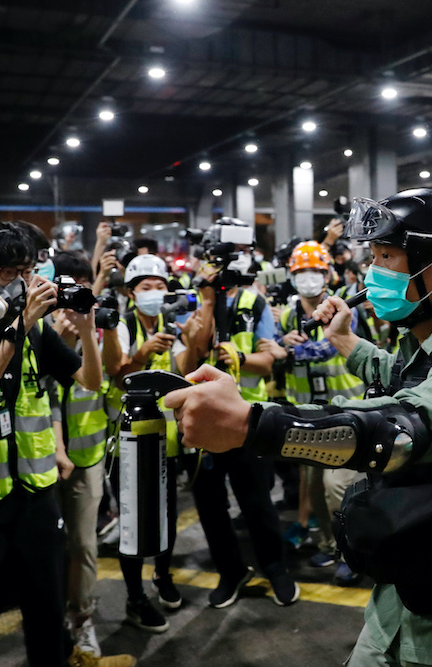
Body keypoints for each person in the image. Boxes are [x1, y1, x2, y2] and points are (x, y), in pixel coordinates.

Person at [167, 189, 432, 666]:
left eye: (387, 257)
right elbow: (406, 381)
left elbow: (399, 433)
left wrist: (253, 424)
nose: (373, 272)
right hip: (422, 578)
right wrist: (346, 343)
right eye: (372, 258)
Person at [0, 222, 132, 667]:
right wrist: (21, 324)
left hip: (33, 499)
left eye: (26, 269)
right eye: (4, 270)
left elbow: (89, 380)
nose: (16, 280)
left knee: (45, 615)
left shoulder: (34, 332)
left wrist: (88, 327)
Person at [179, 228, 300, 610]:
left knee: (256, 500)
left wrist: (241, 360)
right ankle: (230, 572)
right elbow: (189, 358)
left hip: (247, 417)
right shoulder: (195, 302)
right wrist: (209, 302)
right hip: (201, 421)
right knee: (210, 505)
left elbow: (269, 360)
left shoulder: (254, 301)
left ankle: (276, 567)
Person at [46, 251, 121, 656]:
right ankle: (48, 616)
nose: (71, 294)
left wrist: (90, 330)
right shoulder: (36, 328)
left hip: (88, 459)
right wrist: (61, 339)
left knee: (84, 546)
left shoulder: (100, 324)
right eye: (65, 285)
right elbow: (37, 390)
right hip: (37, 460)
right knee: (43, 547)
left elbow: (103, 379)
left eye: (81, 285)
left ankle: (82, 619)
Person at [277, 241, 366, 584]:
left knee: (337, 488)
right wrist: (283, 343)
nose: (309, 279)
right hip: (306, 414)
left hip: (345, 412)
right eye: (302, 272)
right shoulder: (287, 313)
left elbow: (325, 346)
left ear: (327, 273)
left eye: (315, 271)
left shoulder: (342, 306)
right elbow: (271, 348)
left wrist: (289, 349)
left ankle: (352, 553)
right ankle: (329, 546)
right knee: (314, 487)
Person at [109, 254, 186, 633]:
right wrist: (142, 353)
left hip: (165, 441)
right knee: (133, 522)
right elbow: (116, 373)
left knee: (166, 517)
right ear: (130, 293)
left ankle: (162, 574)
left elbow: (186, 368)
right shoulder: (121, 327)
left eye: (160, 286)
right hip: (127, 443)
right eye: (146, 287)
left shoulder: (174, 324)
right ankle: (135, 596)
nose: (155, 293)